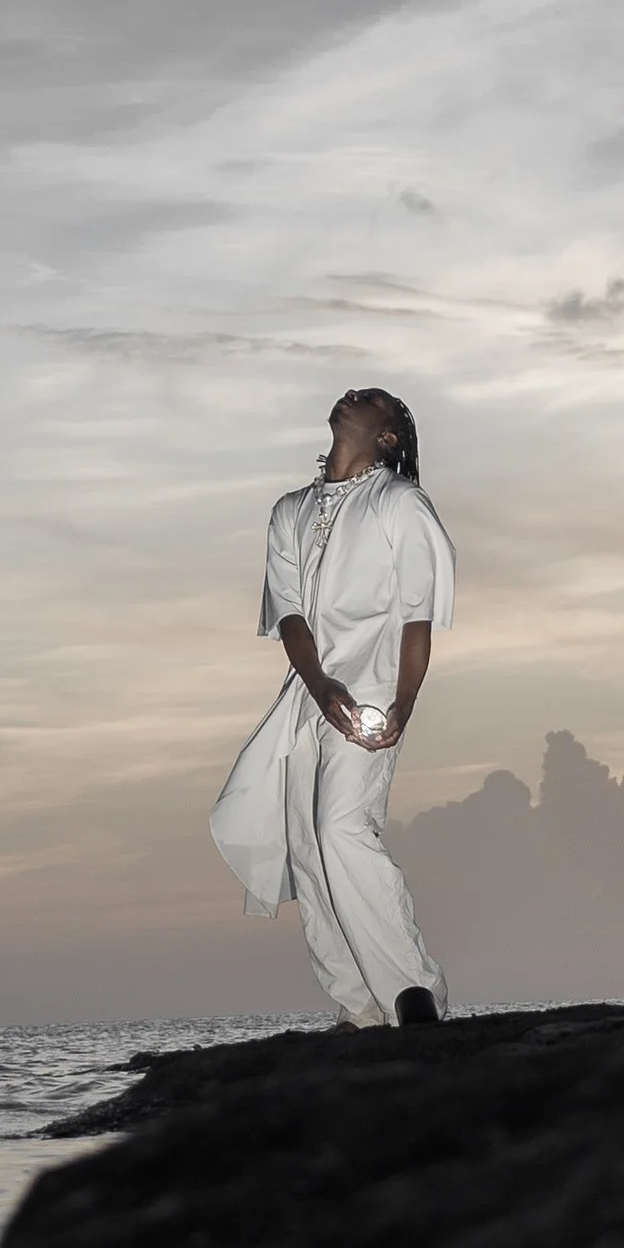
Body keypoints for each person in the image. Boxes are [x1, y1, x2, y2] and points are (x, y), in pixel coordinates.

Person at [209, 386, 455, 1027]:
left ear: (387, 437)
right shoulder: (289, 511)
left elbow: (418, 618)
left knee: (342, 827)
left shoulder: (399, 503)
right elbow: (289, 614)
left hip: (372, 689)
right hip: (310, 695)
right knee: (307, 848)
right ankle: (361, 1005)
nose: (352, 394)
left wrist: (402, 703)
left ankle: (412, 991)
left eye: (371, 399)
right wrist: (319, 685)